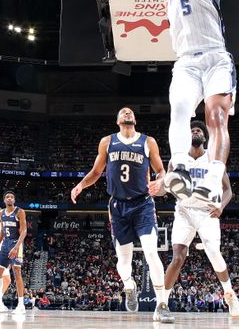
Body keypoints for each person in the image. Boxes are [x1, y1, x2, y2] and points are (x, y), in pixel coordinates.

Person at [144, 0, 236, 208]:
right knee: (180, 110)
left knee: (215, 117)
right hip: (186, 62)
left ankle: (213, 178)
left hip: (215, 58)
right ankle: (179, 168)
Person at [70, 107, 173, 323]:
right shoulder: (107, 142)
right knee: (124, 262)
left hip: (143, 204)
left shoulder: (148, 141)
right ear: (117, 120)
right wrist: (80, 185)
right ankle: (129, 286)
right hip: (117, 207)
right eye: (123, 111)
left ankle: (162, 304)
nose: (127, 112)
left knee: (151, 252)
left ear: (134, 119)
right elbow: (97, 172)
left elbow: (161, 170)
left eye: (130, 112)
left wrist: (160, 181)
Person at [151, 121, 239, 317]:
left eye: (199, 130)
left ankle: (229, 294)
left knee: (214, 253)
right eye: (192, 130)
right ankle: (162, 304)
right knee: (177, 257)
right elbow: (167, 188)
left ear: (205, 137)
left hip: (207, 212)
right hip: (184, 211)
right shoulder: (177, 160)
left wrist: (221, 207)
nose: (195, 132)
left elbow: (228, 191)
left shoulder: (213, 157)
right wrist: (157, 189)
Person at [0, 190, 28, 314]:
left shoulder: (20, 212)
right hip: (5, 243)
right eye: (7, 197)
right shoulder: (1, 213)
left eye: (11, 197)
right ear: (4, 200)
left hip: (16, 243)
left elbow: (24, 231)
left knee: (17, 272)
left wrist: (16, 247)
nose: (9, 198)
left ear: (14, 200)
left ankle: (21, 305)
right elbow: (3, 230)